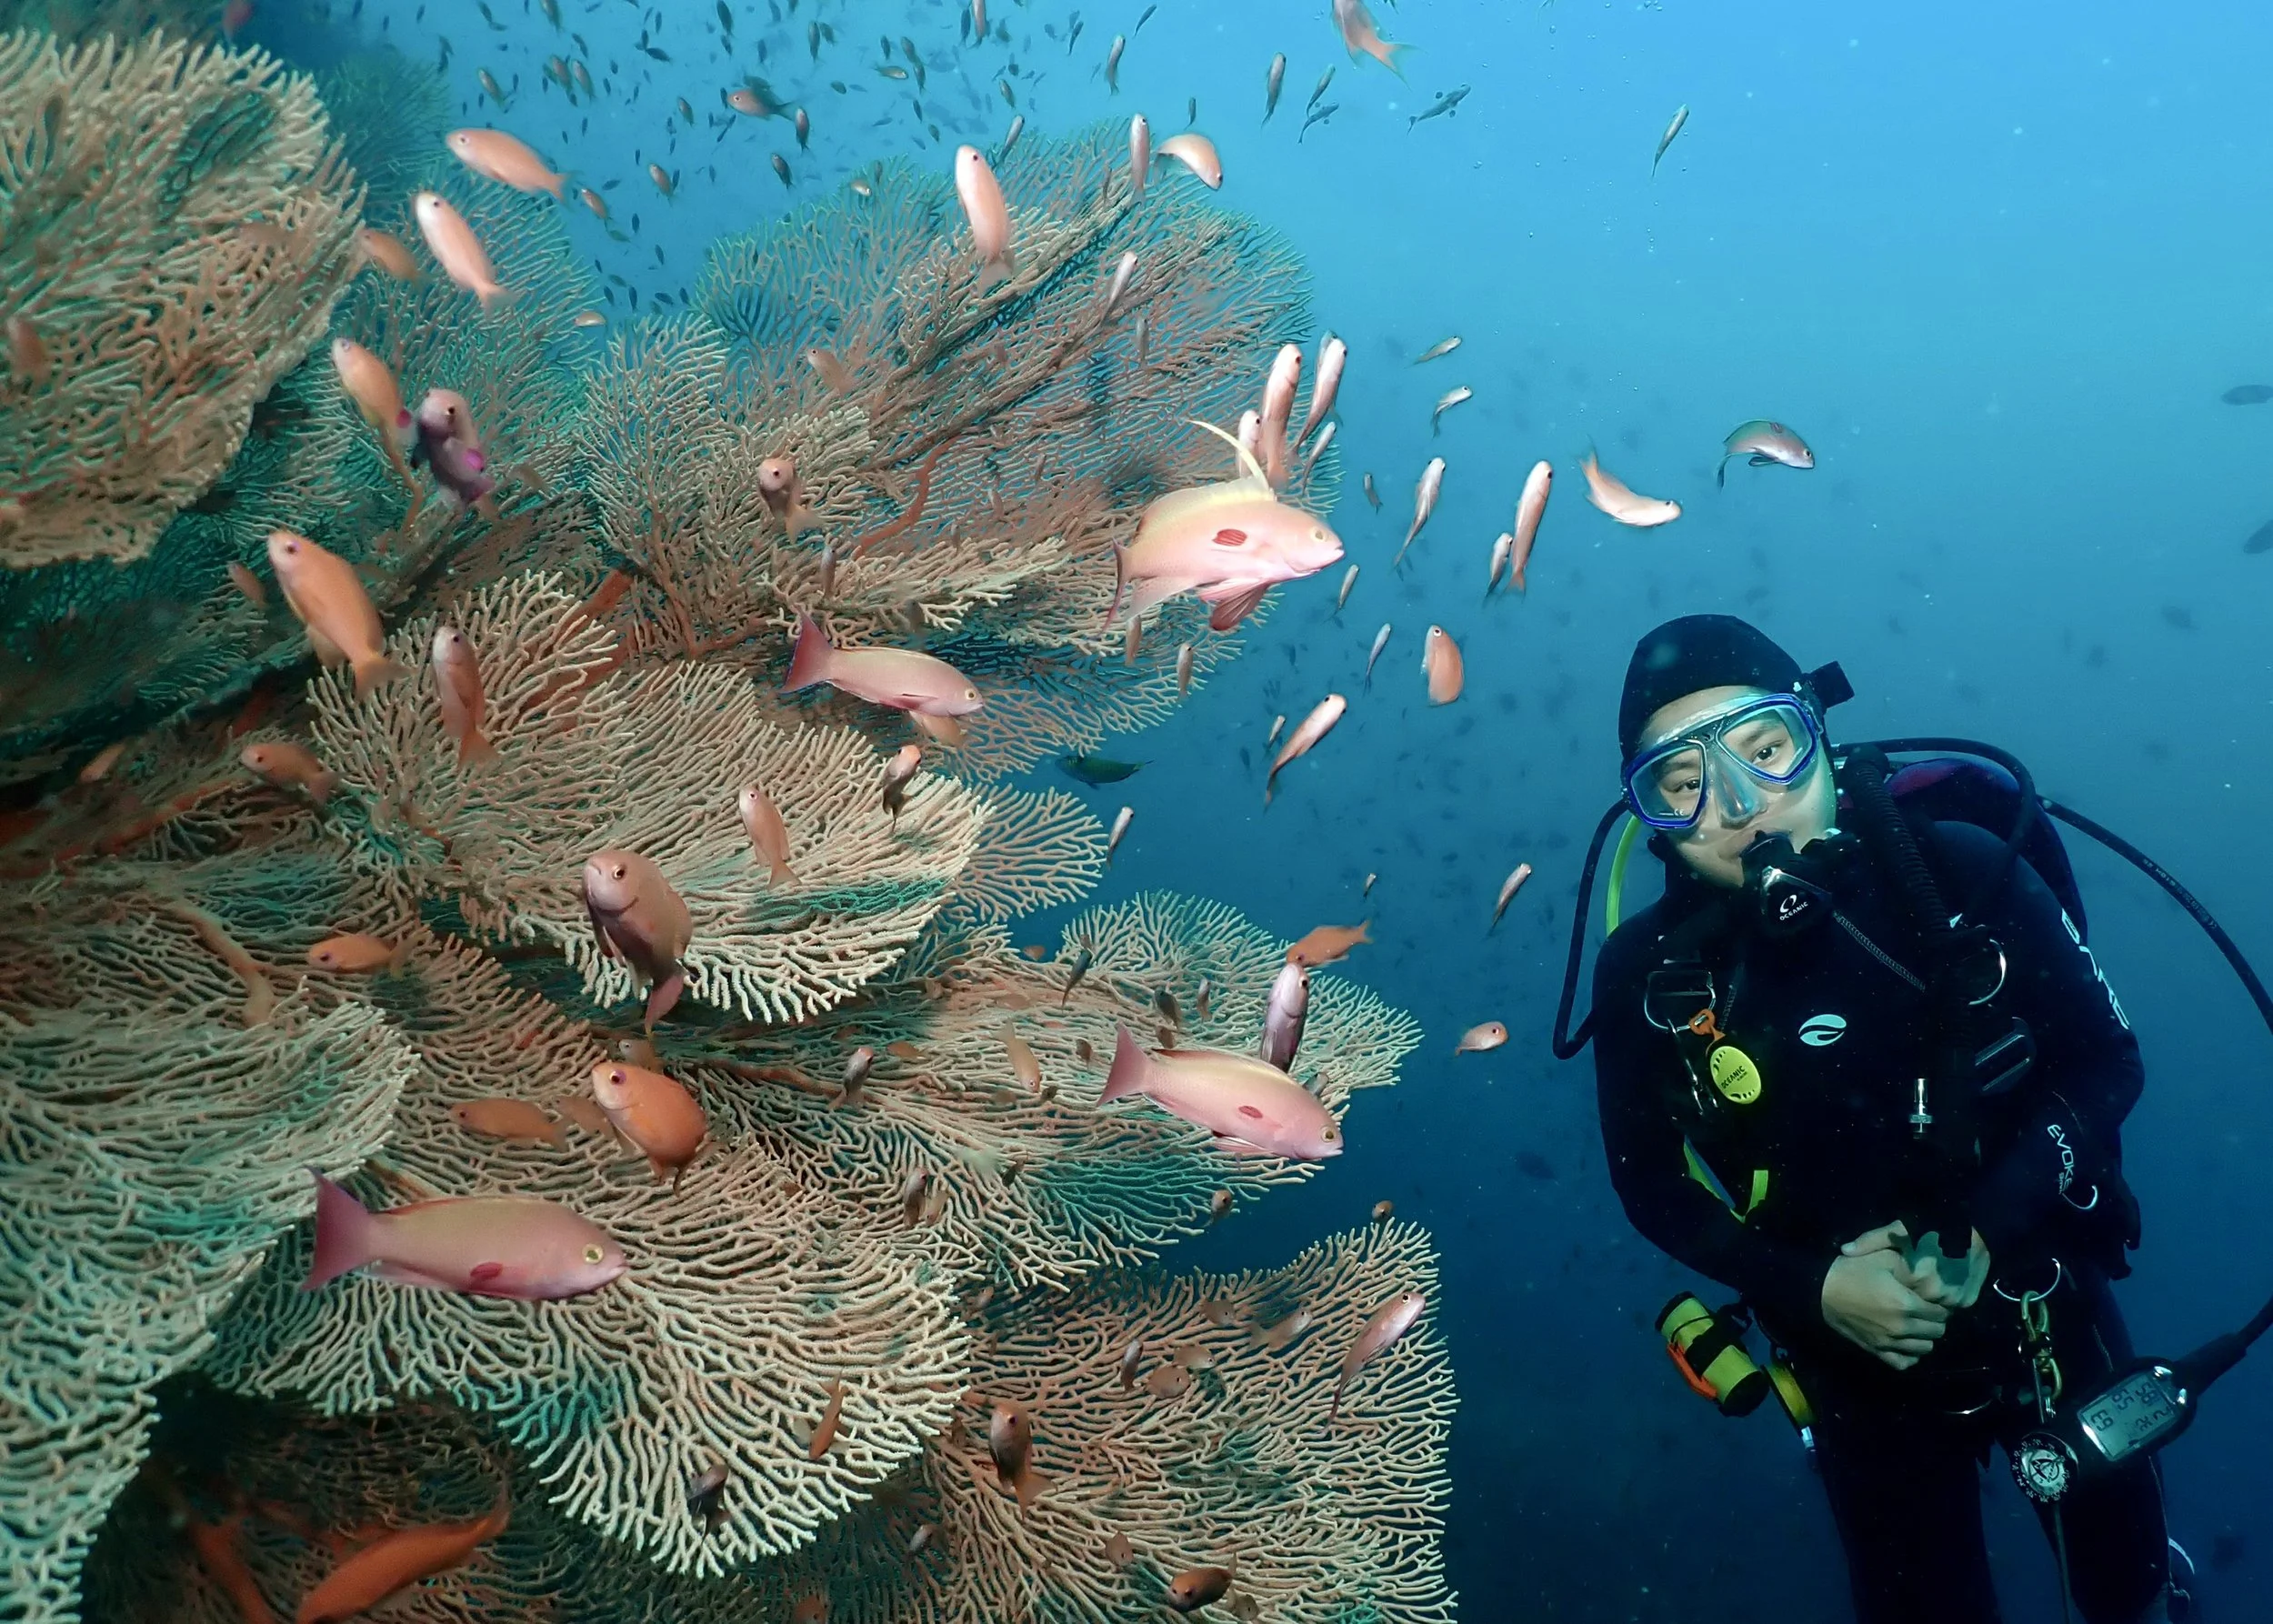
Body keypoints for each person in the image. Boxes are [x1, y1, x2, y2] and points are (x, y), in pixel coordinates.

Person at [1590, 614, 2177, 1624]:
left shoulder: (1961, 871)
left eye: (1763, 748)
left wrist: (1988, 1228)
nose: (1738, 806)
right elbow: (1650, 1181)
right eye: (1681, 782)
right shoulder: (1647, 975)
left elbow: (2104, 1060)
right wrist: (1815, 1286)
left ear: (1815, 731)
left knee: (2126, 1589)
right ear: (1652, 815)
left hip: (2044, 1310)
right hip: (1848, 1363)